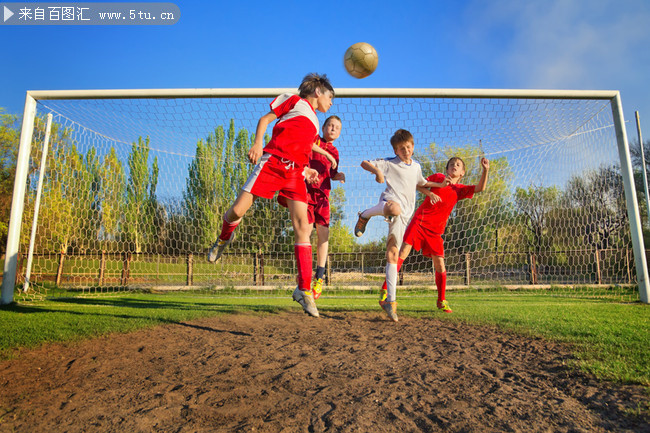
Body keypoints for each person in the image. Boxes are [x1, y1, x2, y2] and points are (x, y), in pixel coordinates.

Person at [207, 73, 337, 318]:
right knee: (237, 211)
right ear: (318, 92)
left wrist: (307, 169)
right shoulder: (294, 101)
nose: (331, 103)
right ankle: (223, 239)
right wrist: (258, 144)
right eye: (331, 97)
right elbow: (265, 119)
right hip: (273, 163)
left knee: (304, 227)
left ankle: (303, 289)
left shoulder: (314, 123)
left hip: (295, 173)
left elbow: (302, 147)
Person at [380, 156, 490, 314]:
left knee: (440, 265)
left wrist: (485, 170)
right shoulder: (439, 178)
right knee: (403, 252)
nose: (454, 166)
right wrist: (430, 194)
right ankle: (385, 290)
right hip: (420, 221)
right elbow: (418, 184)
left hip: (436, 231)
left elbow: (480, 188)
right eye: (451, 164)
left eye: (458, 165)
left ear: (462, 172)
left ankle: (441, 300)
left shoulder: (459, 190)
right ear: (447, 170)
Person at [354, 129, 435, 322]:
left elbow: (421, 183)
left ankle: (390, 302)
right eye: (401, 148)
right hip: (389, 204)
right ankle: (365, 215)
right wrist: (377, 171)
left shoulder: (416, 167)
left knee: (393, 253)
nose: (405, 150)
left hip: (406, 215)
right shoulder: (390, 163)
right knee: (395, 208)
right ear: (396, 150)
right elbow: (364, 163)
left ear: (413, 147)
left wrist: (436, 189)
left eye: (408, 147)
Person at [305, 115, 346, 299]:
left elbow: (331, 173)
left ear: (339, 133)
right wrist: (325, 153)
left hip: (323, 197)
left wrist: (339, 176)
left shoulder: (335, 152)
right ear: (323, 127)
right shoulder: (314, 139)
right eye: (330, 125)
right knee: (304, 235)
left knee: (323, 236)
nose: (332, 128)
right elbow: (306, 147)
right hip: (305, 194)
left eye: (336, 127)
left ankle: (319, 278)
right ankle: (304, 278)